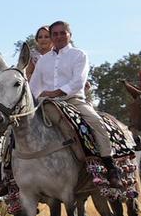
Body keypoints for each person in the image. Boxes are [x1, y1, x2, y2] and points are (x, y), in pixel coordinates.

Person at [28, 20, 122, 159]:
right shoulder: (43, 60)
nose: (59, 36)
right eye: (55, 34)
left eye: (62, 33)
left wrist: (56, 93)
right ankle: (8, 169)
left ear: (70, 35)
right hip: (45, 103)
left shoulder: (79, 55)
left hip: (73, 100)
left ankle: (109, 162)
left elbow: (78, 81)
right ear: (52, 37)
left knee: (97, 122)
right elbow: (33, 86)